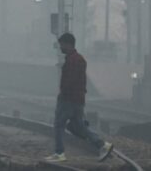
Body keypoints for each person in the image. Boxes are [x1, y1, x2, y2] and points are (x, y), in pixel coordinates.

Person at [44, 33, 113, 163]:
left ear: (68, 44)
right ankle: (103, 145)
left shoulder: (72, 60)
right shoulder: (79, 59)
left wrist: (62, 95)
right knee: (80, 126)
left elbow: (69, 82)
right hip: (78, 100)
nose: (60, 48)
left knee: (59, 125)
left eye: (62, 45)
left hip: (68, 99)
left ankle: (59, 153)